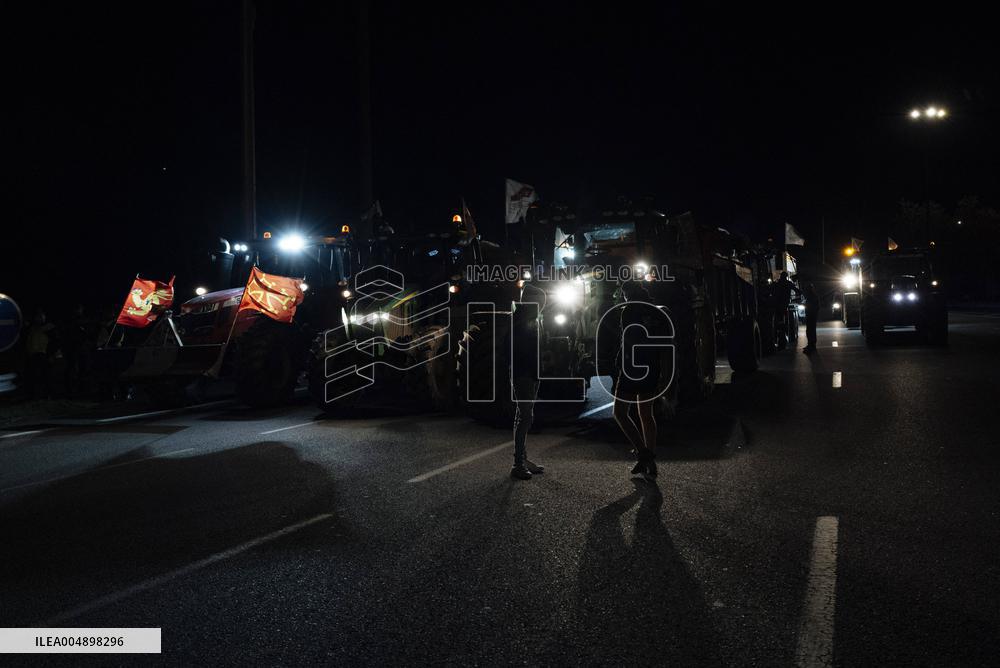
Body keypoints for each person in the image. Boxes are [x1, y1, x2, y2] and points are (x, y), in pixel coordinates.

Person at [612, 281, 660, 480]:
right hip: (651, 366)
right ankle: (649, 462)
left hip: (633, 368)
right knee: (646, 414)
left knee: (620, 412)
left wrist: (621, 360)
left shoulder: (629, 310)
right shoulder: (653, 310)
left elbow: (628, 339)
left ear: (626, 294)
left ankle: (644, 453)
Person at [509, 283, 546, 480]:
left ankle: (523, 460)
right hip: (524, 374)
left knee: (523, 416)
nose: (542, 305)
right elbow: (520, 351)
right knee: (525, 418)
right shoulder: (521, 320)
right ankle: (517, 464)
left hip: (529, 374)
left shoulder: (529, 318)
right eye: (540, 301)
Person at [802, 282, 820, 353]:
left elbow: (815, 306)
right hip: (812, 315)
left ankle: (811, 345)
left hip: (811, 315)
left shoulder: (811, 297)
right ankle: (811, 344)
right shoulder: (813, 296)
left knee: (810, 330)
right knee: (811, 330)